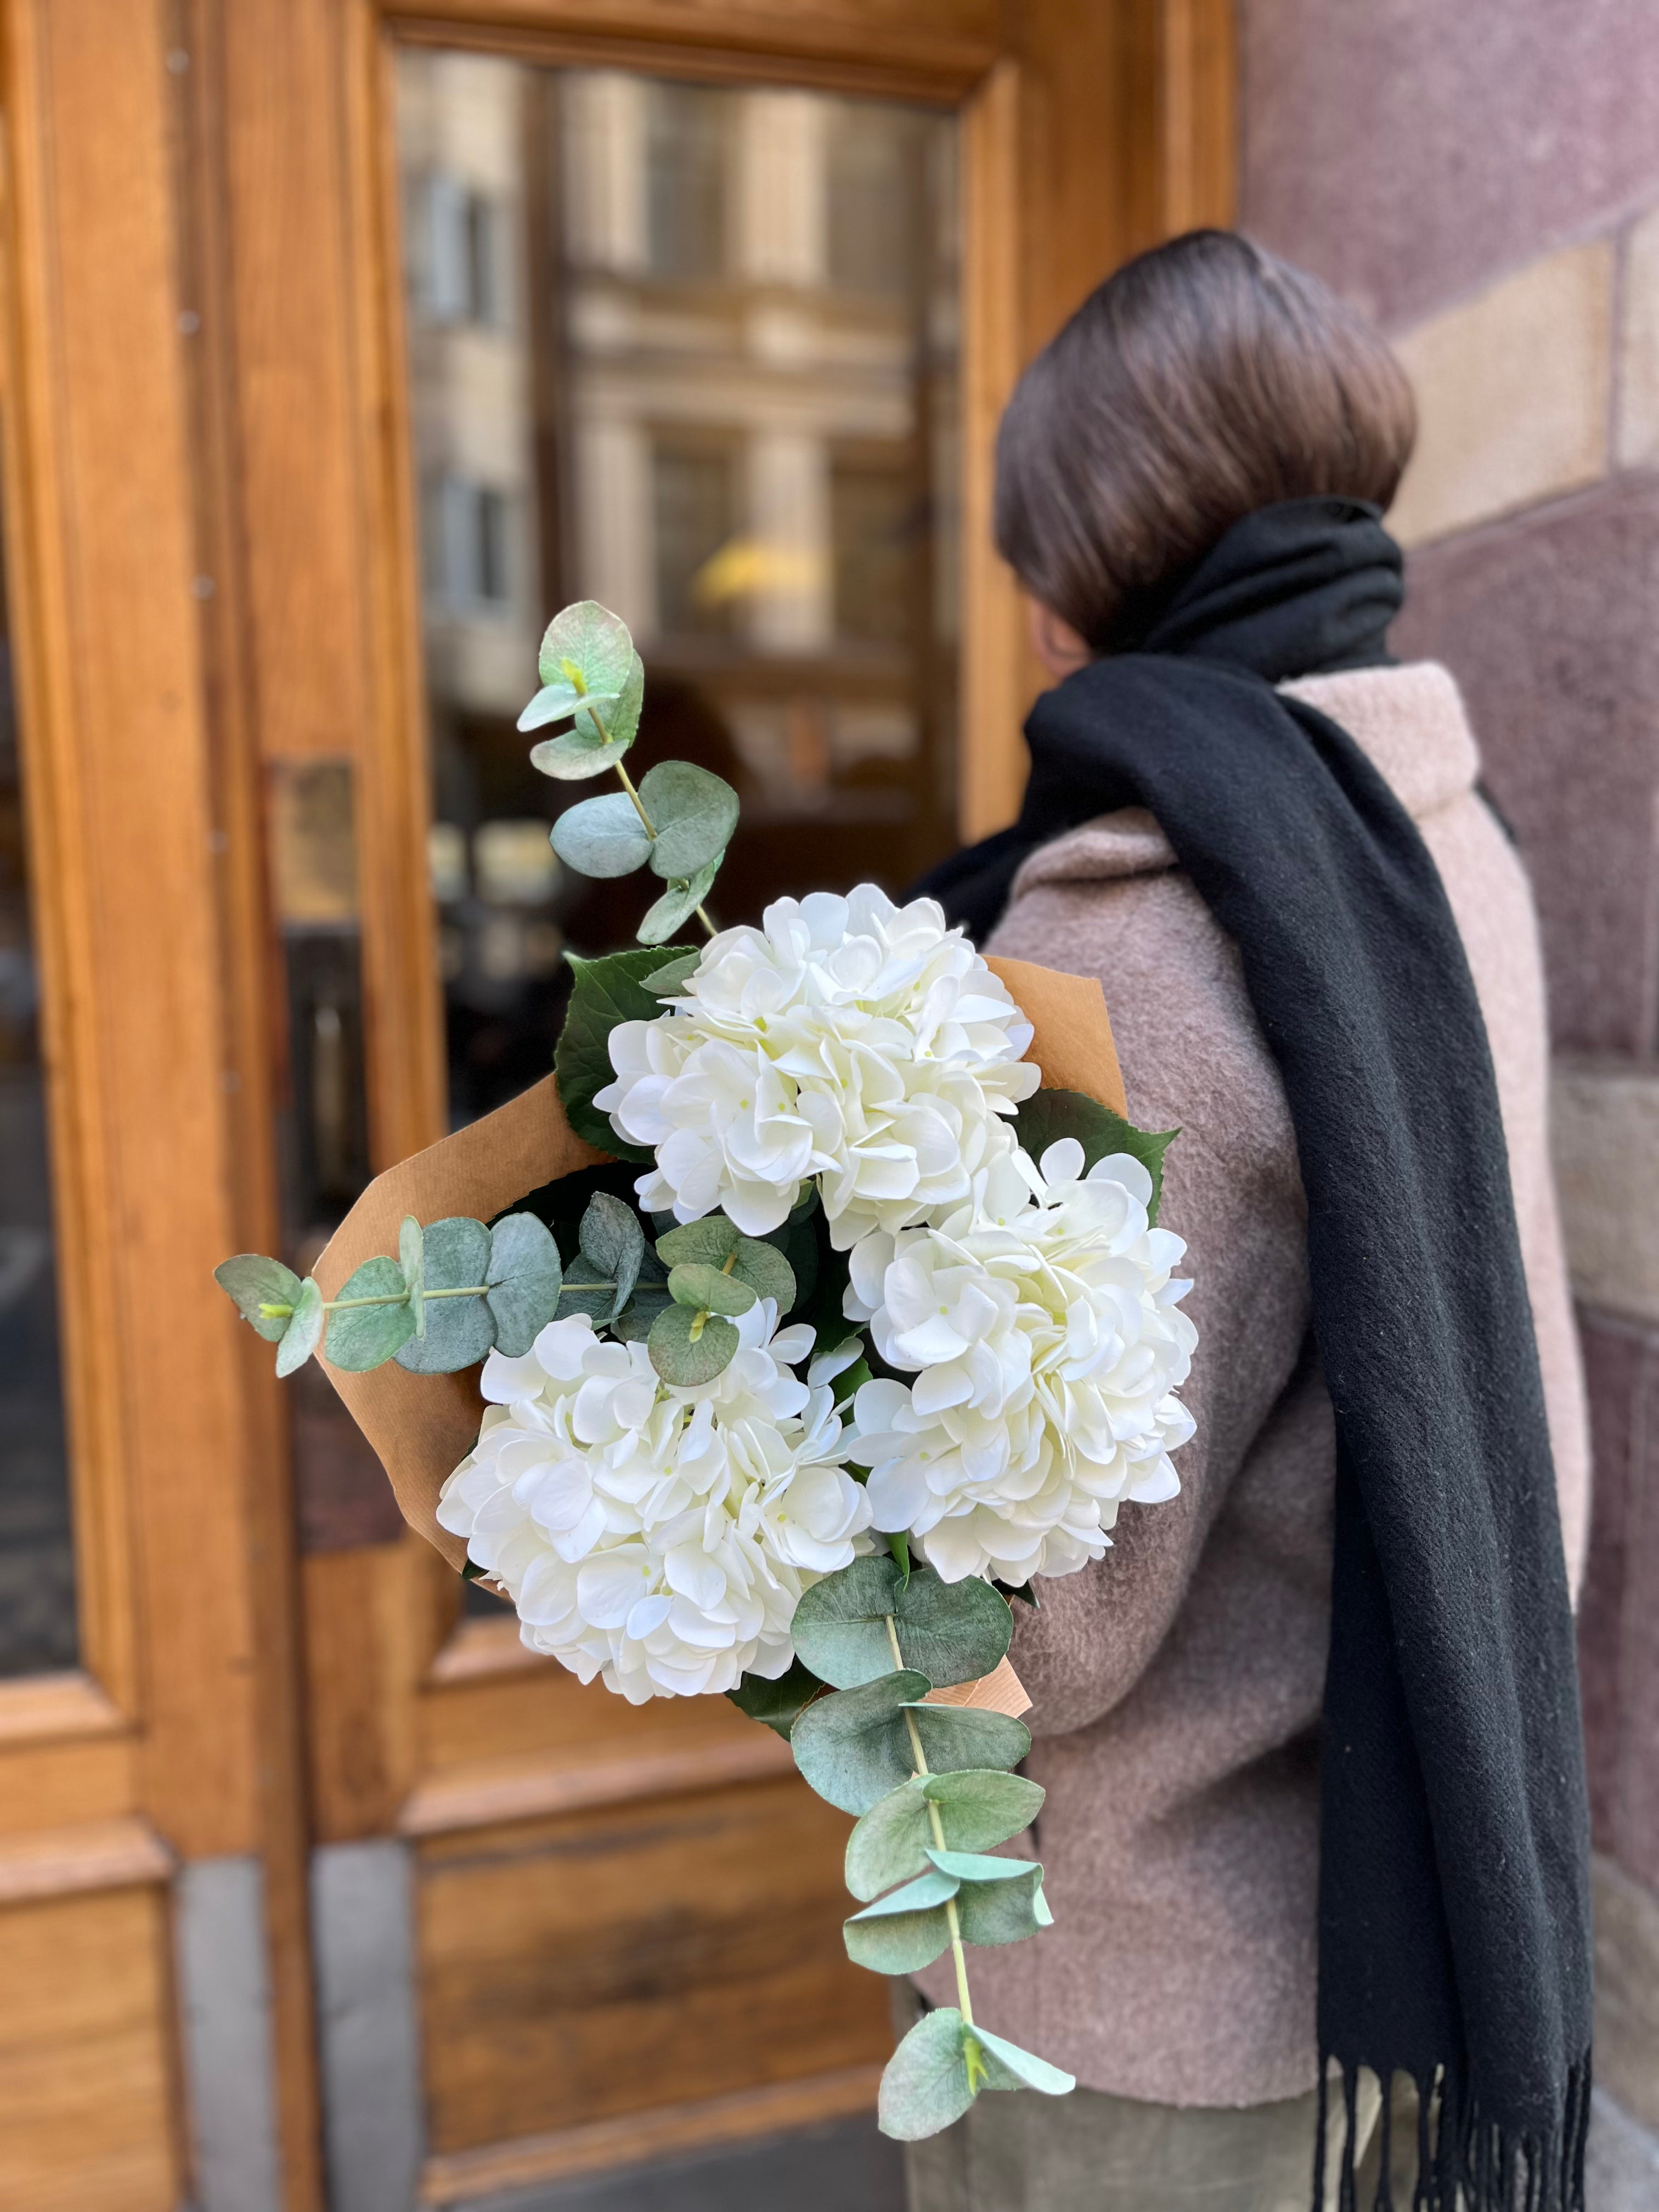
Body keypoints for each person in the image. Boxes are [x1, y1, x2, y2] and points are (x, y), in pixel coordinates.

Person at [906, 232, 1593, 2212]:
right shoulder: (1439, 836)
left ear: (1069, 595)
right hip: (1398, 1925)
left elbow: (1048, 1624)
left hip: (1141, 2008)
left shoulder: (1128, 932)